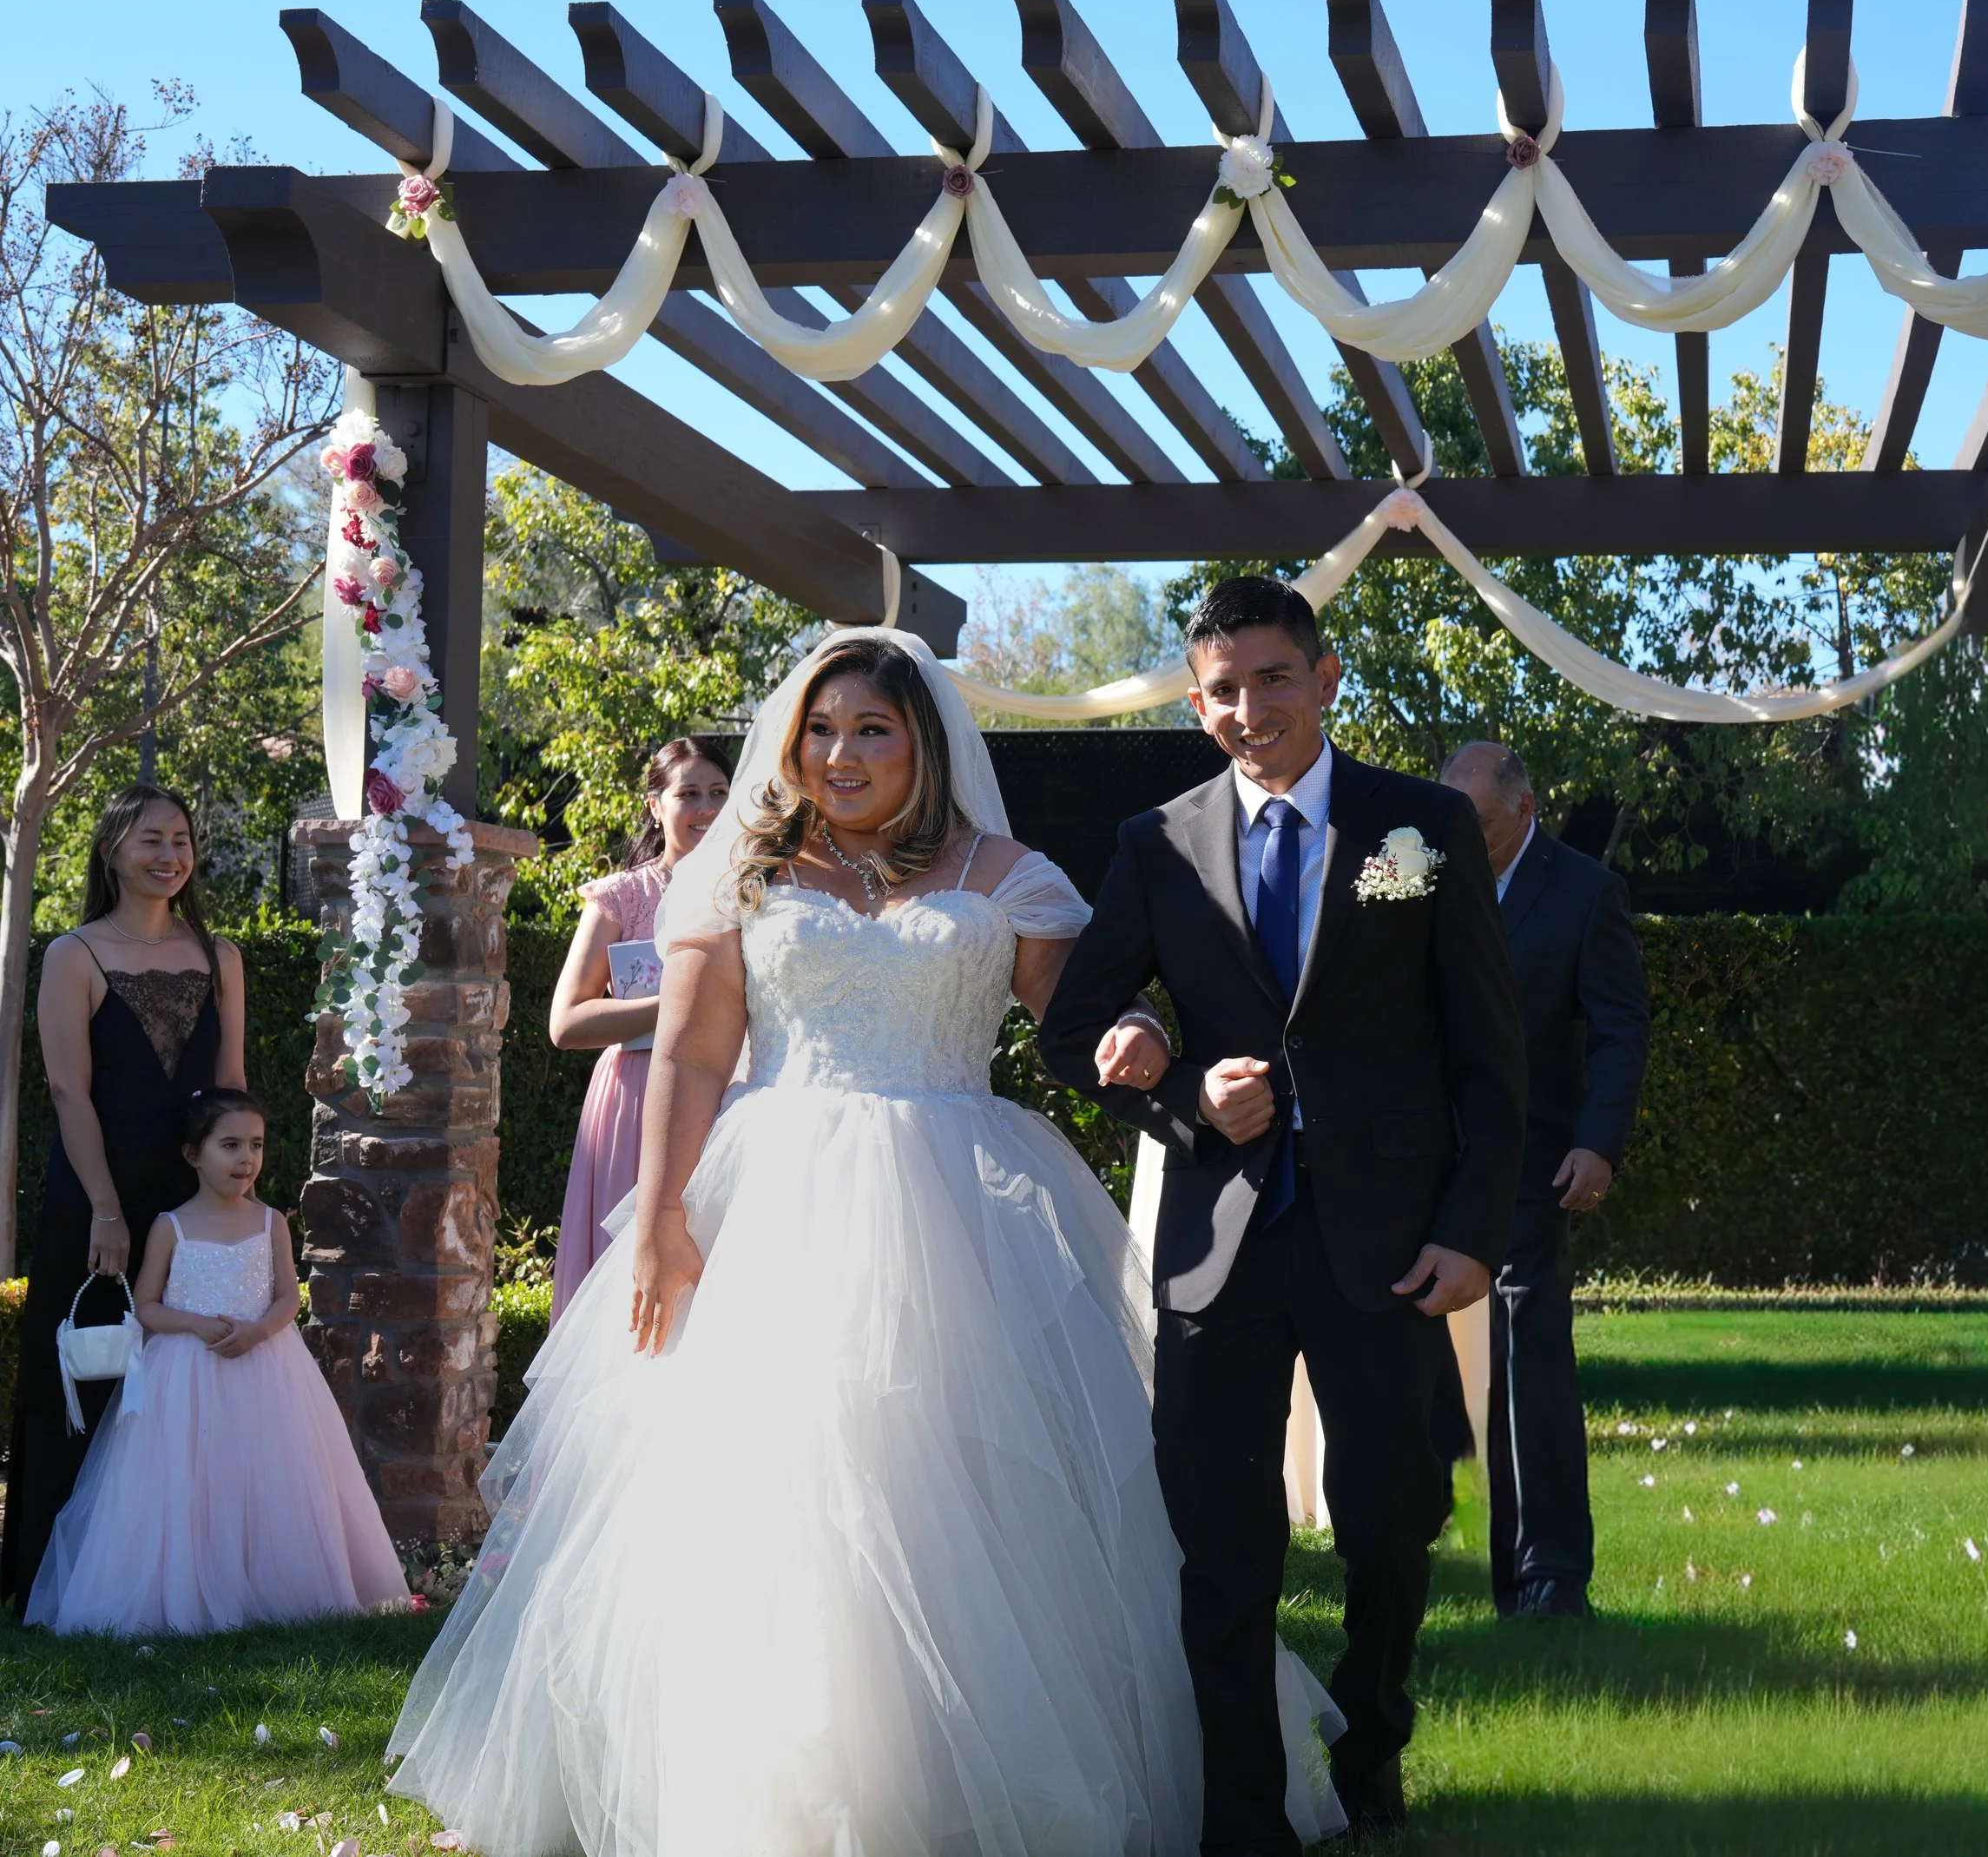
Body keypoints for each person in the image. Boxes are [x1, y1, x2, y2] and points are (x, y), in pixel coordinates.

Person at [385, 629, 1351, 1857]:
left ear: (926, 742)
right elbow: (686, 1051)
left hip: (962, 1212)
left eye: (872, 730)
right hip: (773, 1202)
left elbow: (1086, 1023)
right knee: (784, 1489)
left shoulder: (1013, 876)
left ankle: (976, 1777)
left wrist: (1147, 1048)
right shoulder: (740, 875)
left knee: (968, 1486)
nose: (841, 754)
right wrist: (664, 1218)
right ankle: (774, 1785)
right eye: (820, 730)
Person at [1043, 577, 1527, 1854]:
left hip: (1387, 1237)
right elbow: (1074, 1022)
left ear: (1323, 676)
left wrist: (1475, 1228)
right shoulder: (1157, 841)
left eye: (1270, 678)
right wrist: (1160, 1054)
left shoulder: (1421, 828)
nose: (1248, 709)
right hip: (1217, 1245)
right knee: (1221, 1541)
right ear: (1197, 704)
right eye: (1222, 690)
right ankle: (1243, 1818)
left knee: (1389, 1515)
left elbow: (1490, 1050)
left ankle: (1372, 1731)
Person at [25, 1088, 408, 1634]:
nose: (245, 1159)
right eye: (229, 1145)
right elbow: (148, 1307)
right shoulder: (170, 1227)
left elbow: (287, 1297)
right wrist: (196, 1324)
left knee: (267, 1475)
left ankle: (273, 1589)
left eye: (255, 1145)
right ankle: (189, 1588)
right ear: (193, 1155)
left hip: (267, 1370)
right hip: (184, 1374)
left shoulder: (271, 1221)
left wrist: (258, 1332)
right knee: (190, 1480)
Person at [1, 784, 247, 1613]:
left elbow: (231, 1090)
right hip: (93, 1197)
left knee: (187, 1381)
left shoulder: (222, 958)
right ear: (112, 849)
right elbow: (69, 1093)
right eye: (150, 839)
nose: (169, 854)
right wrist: (106, 1209)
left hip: (194, 1205)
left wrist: (234, 1202)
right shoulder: (73, 955)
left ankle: (184, 1572)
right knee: (84, 1371)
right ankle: (53, 1578)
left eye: (180, 838)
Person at [1441, 741, 1650, 1622]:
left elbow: (1619, 1031)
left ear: (1523, 810)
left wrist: (1597, 1143)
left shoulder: (1583, 894)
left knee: (1529, 1357)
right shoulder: (1411, 868)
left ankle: (1548, 1574)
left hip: (1531, 1162)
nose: (1457, 840)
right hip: (1414, 1155)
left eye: (1476, 826)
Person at [548, 736, 734, 1318]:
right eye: (689, 794)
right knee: (628, 1275)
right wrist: (677, 1003)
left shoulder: (756, 891)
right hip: (633, 1098)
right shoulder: (622, 897)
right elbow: (566, 1021)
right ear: (655, 805)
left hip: (729, 1094)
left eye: (719, 793)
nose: (706, 807)